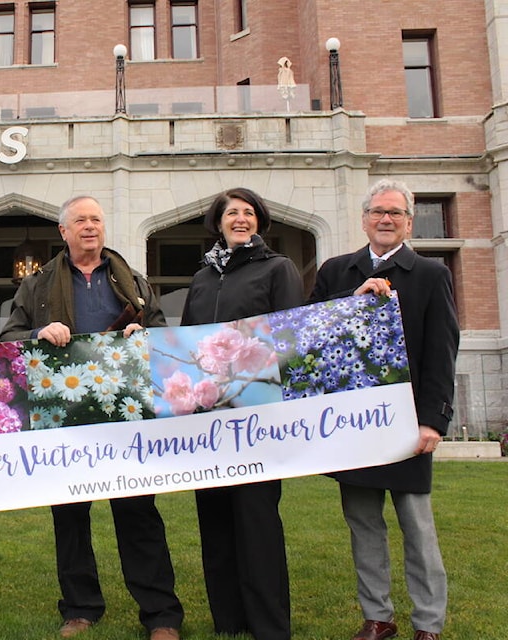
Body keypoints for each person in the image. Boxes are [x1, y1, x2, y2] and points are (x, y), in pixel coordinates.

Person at [0, 195, 184, 640]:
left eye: (96, 220)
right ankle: (80, 608)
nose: (89, 227)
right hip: (65, 416)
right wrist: (39, 333)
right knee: (70, 516)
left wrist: (145, 334)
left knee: (139, 514)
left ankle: (160, 615)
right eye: (80, 220)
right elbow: (8, 337)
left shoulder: (133, 280)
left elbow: (162, 334)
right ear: (63, 232)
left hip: (125, 414)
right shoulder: (38, 285)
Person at [309, 179, 459, 640]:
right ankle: (378, 617)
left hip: (408, 423)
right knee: (363, 525)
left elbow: (442, 350)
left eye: (395, 213)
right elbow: (309, 335)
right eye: (378, 211)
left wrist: (434, 420)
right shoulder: (337, 271)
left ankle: (428, 624)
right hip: (354, 427)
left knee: (418, 528)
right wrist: (349, 305)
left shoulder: (432, 275)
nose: (386, 219)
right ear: (364, 218)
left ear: (409, 221)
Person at [180, 187, 302, 640]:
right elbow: (191, 342)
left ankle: (269, 626)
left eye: (249, 213)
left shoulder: (278, 268)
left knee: (257, 522)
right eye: (232, 213)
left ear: (260, 221)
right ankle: (228, 622)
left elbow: (289, 337)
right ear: (218, 222)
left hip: (258, 415)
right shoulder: (202, 279)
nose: (241, 219)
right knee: (214, 520)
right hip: (208, 419)